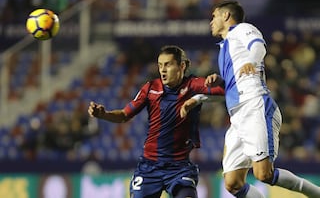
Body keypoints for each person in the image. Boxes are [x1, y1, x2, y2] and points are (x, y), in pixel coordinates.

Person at [181, 0, 320, 198]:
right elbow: (231, 89)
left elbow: (259, 47)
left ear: (226, 16)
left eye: (214, 16)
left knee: (264, 174)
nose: (211, 21)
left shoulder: (242, 29)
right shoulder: (226, 47)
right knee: (233, 183)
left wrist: (252, 61)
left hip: (255, 106)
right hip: (237, 115)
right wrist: (204, 94)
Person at [88, 45, 224, 198]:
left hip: (179, 168)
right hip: (149, 168)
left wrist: (218, 82)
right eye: (160, 65)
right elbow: (125, 114)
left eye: (168, 64)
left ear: (182, 66)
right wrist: (104, 114)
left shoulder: (193, 85)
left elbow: (225, 91)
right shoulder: (150, 88)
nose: (163, 70)